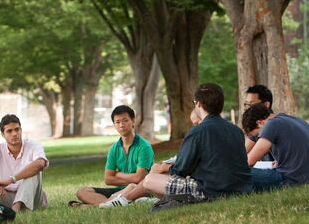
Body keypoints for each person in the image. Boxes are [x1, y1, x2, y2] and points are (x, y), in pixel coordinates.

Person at [104, 83, 252, 208]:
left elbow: (181, 169)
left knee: (151, 178)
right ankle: (136, 198)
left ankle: (125, 199)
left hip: (211, 191)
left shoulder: (198, 131)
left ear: (198, 104)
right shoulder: (236, 131)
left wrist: (163, 167)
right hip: (240, 189)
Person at [73, 105, 154, 207]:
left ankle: (99, 205)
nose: (121, 125)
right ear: (114, 125)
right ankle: (111, 203)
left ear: (133, 121)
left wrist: (118, 174)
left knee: (131, 186)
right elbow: (108, 179)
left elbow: (139, 178)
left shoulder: (144, 146)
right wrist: (125, 177)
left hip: (138, 189)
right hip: (119, 189)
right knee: (82, 191)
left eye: (125, 121)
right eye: (118, 122)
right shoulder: (114, 149)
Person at [0, 114, 48, 212]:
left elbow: (40, 164)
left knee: (33, 171)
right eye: (9, 131)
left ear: (21, 130)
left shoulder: (33, 145)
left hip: (32, 198)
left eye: (17, 129)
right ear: (3, 134)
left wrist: (11, 179)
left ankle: (15, 210)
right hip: (7, 196)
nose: (14, 134)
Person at [243, 103, 309, 190]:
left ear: (260, 123)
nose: (259, 138)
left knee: (237, 172)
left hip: (288, 180)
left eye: (257, 135)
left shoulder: (271, 124)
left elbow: (250, 161)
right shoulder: (301, 121)